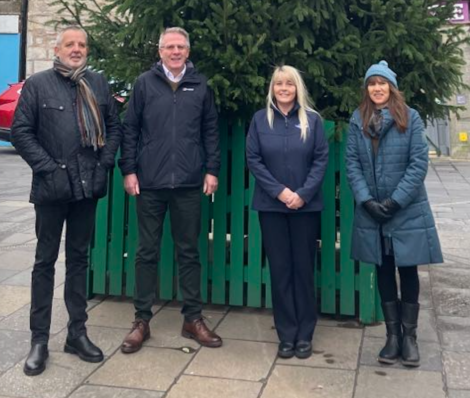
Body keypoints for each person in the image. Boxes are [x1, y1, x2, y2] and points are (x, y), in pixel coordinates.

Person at [11, 25, 122, 376]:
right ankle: (39, 340)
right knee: (44, 261)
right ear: (57, 49)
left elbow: (114, 128)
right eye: (70, 44)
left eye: (82, 44)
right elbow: (21, 131)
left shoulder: (98, 84)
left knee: (78, 260)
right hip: (51, 188)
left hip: (87, 187)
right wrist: (48, 169)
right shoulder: (38, 84)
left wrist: (105, 164)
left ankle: (77, 332)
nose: (77, 49)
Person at [118, 27, 222, 353]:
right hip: (149, 183)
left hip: (190, 183)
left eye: (180, 47)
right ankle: (141, 321)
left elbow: (210, 130)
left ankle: (193, 319)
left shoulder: (200, 85)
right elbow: (130, 128)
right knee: (146, 252)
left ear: (187, 52)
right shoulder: (144, 84)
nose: (175, 52)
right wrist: (129, 170)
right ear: (160, 51)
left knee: (189, 252)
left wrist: (212, 170)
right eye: (169, 47)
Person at [346, 60, 443, 367]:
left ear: (391, 87)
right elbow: (352, 165)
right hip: (372, 210)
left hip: (406, 209)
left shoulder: (410, 118)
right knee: (384, 269)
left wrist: (395, 202)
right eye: (372, 84)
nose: (377, 88)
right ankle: (392, 336)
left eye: (382, 83)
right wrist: (367, 201)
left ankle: (410, 338)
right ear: (367, 89)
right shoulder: (357, 119)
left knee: (409, 271)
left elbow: (418, 165)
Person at [246, 65, 328, 359]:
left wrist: (302, 195)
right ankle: (286, 334)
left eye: (289, 84)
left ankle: (305, 334)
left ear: (297, 88)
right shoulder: (260, 120)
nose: (283, 88)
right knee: (280, 271)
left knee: (303, 271)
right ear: (273, 88)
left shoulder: (313, 121)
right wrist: (280, 192)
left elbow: (320, 160)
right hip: (271, 208)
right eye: (279, 83)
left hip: (305, 209)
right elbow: (254, 160)